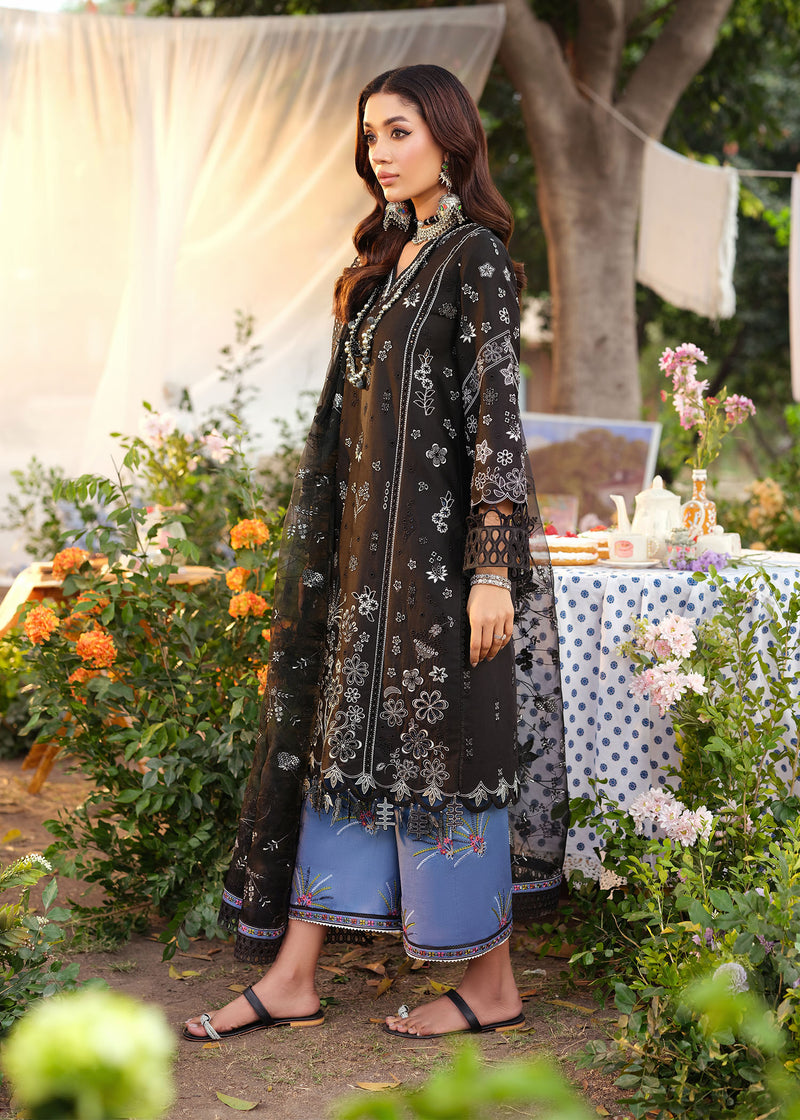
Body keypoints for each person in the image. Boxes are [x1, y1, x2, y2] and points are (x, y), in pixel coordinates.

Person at [184, 63, 566, 1043]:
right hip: (368, 577)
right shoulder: (387, 260)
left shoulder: (472, 257)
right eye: (369, 137)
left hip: (442, 574)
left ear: (446, 136)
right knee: (343, 751)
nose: (378, 153)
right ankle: (296, 972)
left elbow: (496, 424)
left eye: (396, 132)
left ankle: (487, 984)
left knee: (445, 759)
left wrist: (490, 570)